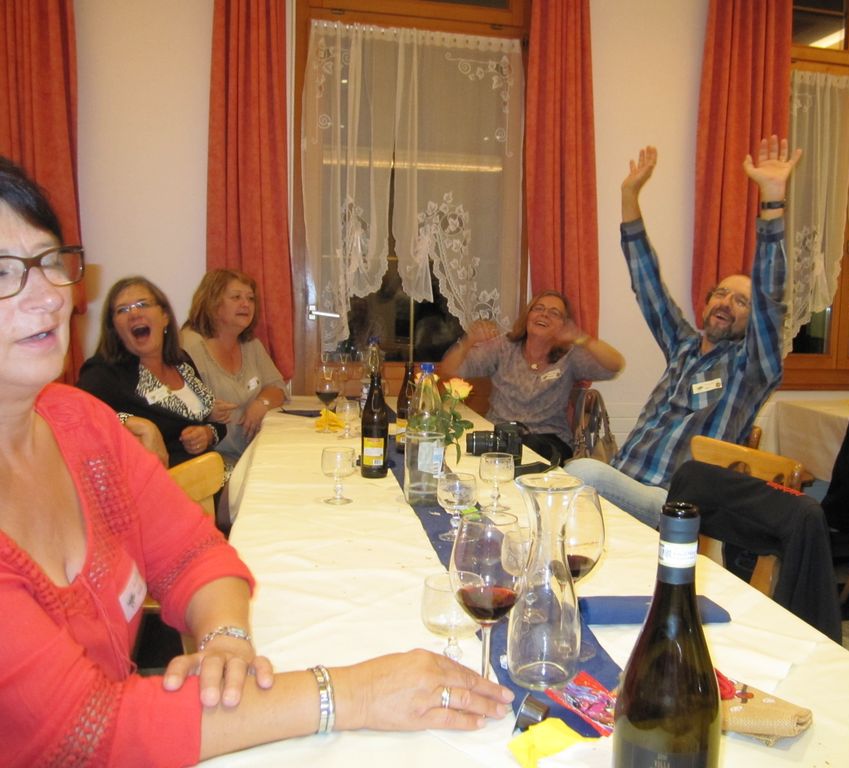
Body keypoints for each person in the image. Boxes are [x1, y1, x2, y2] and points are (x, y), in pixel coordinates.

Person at [0, 158, 513, 765]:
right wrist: (353, 692)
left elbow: (196, 550)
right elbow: (86, 733)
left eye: (50, 262)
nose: (47, 296)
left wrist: (225, 637)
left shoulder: (77, 422)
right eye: (3, 271)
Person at [566, 136, 802, 527]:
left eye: (741, 302)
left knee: (581, 472)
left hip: (673, 506)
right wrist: (629, 197)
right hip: (625, 484)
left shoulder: (751, 368)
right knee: (551, 481)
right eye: (721, 293)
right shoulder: (683, 347)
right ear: (706, 304)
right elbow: (647, 285)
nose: (726, 302)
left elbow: (770, 298)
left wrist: (772, 202)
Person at [436, 290, 624, 465]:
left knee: (523, 449)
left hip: (550, 440)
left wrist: (582, 338)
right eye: (538, 309)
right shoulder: (504, 347)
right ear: (528, 316)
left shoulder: (570, 356)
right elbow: (450, 369)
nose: (544, 315)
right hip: (501, 435)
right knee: (459, 450)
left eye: (554, 313)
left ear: (563, 324)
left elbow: (615, 365)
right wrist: (469, 341)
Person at [77, 276, 227, 468]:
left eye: (143, 304)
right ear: (114, 328)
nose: (134, 313)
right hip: (160, 481)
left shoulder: (182, 361)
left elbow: (213, 420)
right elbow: (76, 416)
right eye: (123, 310)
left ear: (165, 316)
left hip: (208, 472)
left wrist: (208, 433)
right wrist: (133, 423)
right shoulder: (104, 371)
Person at [181, 269, 287, 466]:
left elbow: (278, 389)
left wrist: (261, 403)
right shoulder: (189, 345)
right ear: (212, 303)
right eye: (236, 297)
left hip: (252, 453)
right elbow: (178, 407)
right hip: (211, 460)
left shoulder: (251, 344)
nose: (246, 304)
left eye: (250, 298)